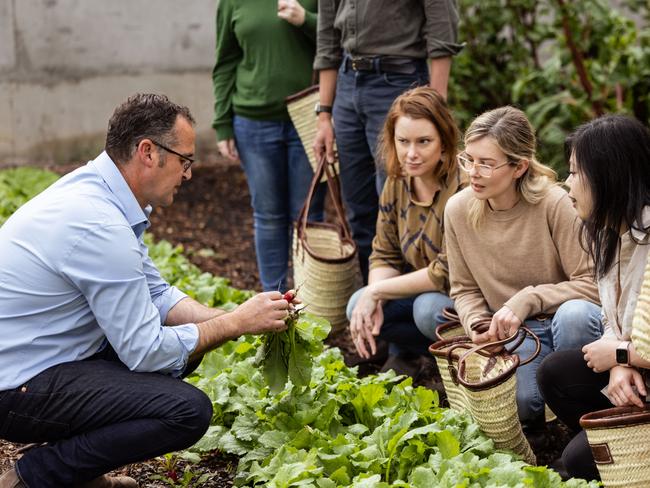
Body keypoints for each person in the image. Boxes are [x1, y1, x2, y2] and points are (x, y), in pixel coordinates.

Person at [0, 94, 293, 488]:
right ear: (148, 152)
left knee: (186, 354)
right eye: (185, 160)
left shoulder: (101, 193)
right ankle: (34, 477)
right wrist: (237, 324)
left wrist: (237, 316)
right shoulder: (100, 224)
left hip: (42, 358)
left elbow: (156, 294)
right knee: (186, 411)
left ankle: (77, 472)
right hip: (15, 387)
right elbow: (146, 350)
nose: (189, 174)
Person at [444, 106, 602, 437]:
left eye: (486, 164)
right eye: (468, 159)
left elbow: (592, 286)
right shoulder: (457, 210)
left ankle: (586, 420)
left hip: (562, 324)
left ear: (519, 167)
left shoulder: (555, 203)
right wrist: (478, 324)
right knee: (523, 405)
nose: (473, 172)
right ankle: (547, 419)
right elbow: (463, 288)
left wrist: (528, 298)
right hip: (514, 334)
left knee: (576, 315)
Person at [312, 0, 463, 284]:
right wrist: (324, 113)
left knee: (403, 198)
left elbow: (441, 23)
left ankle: (413, 300)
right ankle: (375, 303)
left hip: (398, 80)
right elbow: (327, 37)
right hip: (346, 83)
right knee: (357, 206)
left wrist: (436, 106)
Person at [538, 115, 650, 481]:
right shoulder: (610, 233)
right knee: (555, 372)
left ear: (608, 176)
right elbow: (612, 318)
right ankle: (614, 443)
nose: (567, 185)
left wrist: (620, 355)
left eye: (574, 173)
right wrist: (619, 363)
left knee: (580, 462)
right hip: (639, 374)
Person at [346, 86, 464, 377]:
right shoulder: (397, 183)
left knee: (426, 309)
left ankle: (464, 361)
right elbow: (384, 253)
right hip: (425, 290)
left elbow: (445, 272)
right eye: (403, 141)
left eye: (424, 141)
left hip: (470, 299)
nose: (411, 153)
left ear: (445, 144)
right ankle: (422, 357)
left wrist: (378, 291)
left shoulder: (463, 189)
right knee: (357, 306)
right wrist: (374, 298)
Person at [213, 0, 325, 292]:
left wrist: (306, 20)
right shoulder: (232, 3)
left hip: (309, 118)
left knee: (308, 217)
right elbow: (225, 62)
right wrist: (222, 122)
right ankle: (274, 303)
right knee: (268, 215)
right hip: (253, 122)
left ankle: (312, 301)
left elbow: (337, 45)